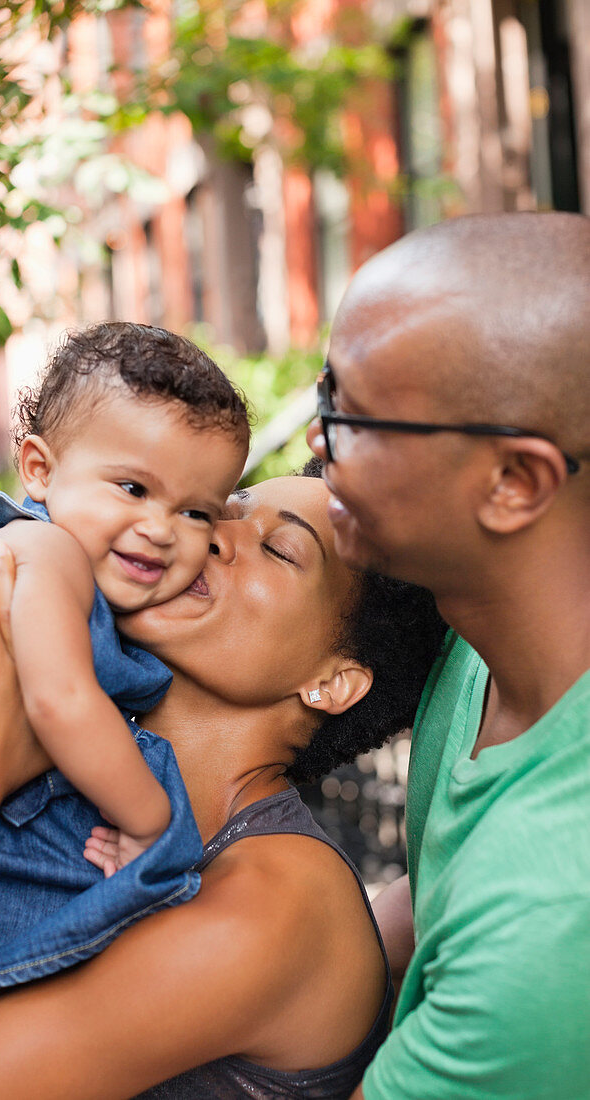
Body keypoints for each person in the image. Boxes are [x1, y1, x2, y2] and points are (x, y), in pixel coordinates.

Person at [0, 469, 446, 1099]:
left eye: (279, 549)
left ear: (332, 680)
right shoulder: (76, 769)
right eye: (224, 508)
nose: (216, 535)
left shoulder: (277, 906)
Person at [0, 321, 249, 999]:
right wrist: (150, 818)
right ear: (39, 469)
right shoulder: (49, 551)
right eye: (132, 488)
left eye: (195, 513)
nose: (159, 529)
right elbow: (59, 700)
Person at [306, 211, 590, 1099]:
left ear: (514, 483)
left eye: (350, 414)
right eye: (324, 394)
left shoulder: (549, 923)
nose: (317, 439)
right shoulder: (486, 622)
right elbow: (436, 901)